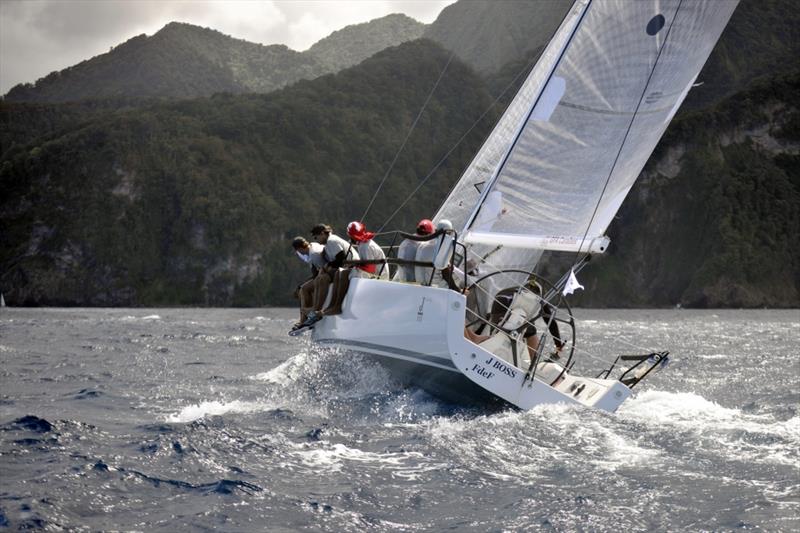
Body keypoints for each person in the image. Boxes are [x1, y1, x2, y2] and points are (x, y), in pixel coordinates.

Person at [323, 221, 387, 316]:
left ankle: (337, 306)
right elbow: (366, 265)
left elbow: (370, 269)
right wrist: (355, 266)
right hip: (372, 272)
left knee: (344, 273)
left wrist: (354, 266)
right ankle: (333, 305)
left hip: (378, 275)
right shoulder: (363, 243)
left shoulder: (365, 246)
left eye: (350, 235)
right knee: (339, 273)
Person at [302, 224, 359, 326]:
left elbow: (340, 259)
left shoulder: (332, 241)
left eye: (316, 237)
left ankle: (316, 310)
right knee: (320, 278)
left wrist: (326, 267)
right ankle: (315, 309)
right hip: (343, 267)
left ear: (323, 234)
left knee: (323, 279)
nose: (316, 240)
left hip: (351, 268)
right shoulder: (328, 244)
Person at [291, 236, 326, 329]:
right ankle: (305, 318)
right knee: (303, 288)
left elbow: (321, 271)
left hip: (327, 276)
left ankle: (305, 319)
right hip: (322, 274)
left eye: (297, 251)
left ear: (299, 248)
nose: (298, 253)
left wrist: (302, 285)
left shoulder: (314, 254)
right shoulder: (312, 247)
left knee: (304, 289)